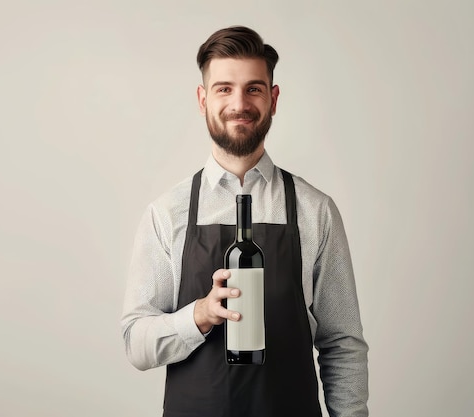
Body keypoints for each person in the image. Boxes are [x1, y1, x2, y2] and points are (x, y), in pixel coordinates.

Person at [121, 26, 368, 417]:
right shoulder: (167, 213)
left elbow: (342, 343)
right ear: (202, 99)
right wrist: (198, 316)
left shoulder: (314, 209)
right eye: (224, 89)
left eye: (253, 88)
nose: (239, 103)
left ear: (273, 99)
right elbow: (136, 343)